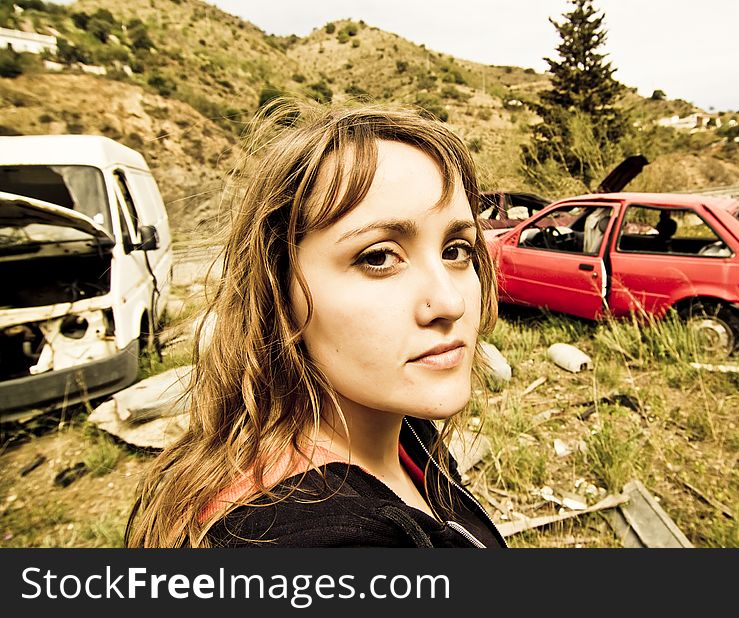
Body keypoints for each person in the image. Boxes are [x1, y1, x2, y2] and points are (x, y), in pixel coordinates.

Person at [125, 102, 506, 548]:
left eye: (456, 250)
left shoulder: (402, 432)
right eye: (379, 257)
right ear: (279, 290)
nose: (450, 301)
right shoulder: (301, 539)